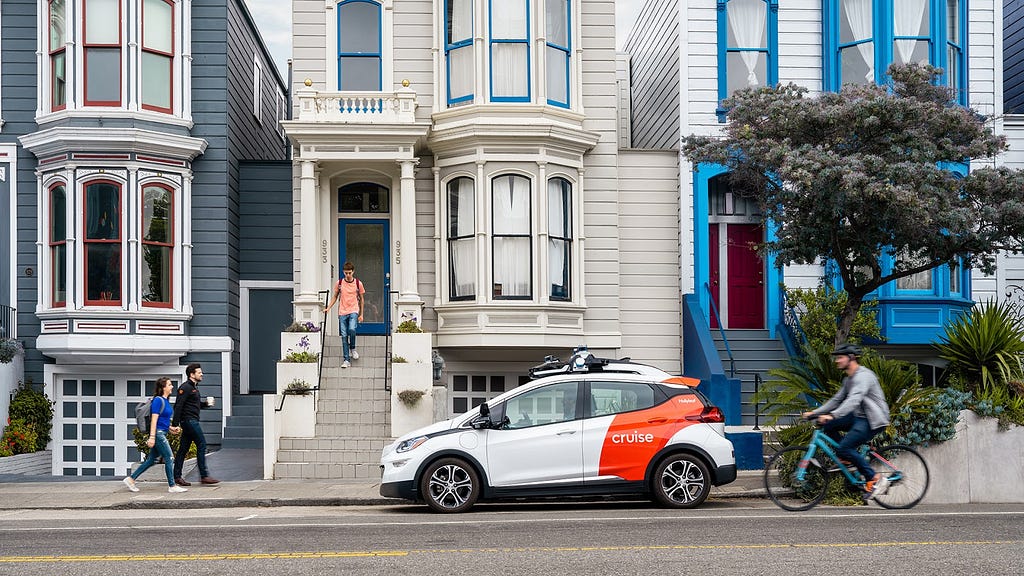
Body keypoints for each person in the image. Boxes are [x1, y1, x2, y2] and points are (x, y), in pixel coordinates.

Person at [802, 343, 892, 500]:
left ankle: (874, 478)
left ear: (851, 358)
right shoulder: (848, 380)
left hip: (873, 419)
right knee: (827, 425)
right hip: (859, 416)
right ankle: (846, 457)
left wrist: (834, 415)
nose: (837, 361)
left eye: (840, 357)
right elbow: (836, 400)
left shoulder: (864, 376)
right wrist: (815, 413)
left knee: (844, 447)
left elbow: (854, 400)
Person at [123, 377, 187, 493]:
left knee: (151, 460)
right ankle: (172, 486)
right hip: (158, 434)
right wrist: (152, 437)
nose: (172, 386)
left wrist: (171, 428)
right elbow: (154, 420)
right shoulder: (158, 400)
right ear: (163, 387)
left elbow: (162, 421)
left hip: (161, 432)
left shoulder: (165, 401)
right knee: (169, 457)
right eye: (169, 385)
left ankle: (131, 479)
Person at [170, 363, 220, 486]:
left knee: (183, 449)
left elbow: (194, 405)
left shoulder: (194, 388)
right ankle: (204, 476)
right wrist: (175, 424)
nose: (201, 374)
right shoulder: (185, 387)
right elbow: (178, 406)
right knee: (202, 444)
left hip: (190, 420)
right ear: (192, 374)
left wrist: (206, 404)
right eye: (199, 372)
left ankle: (177, 477)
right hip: (189, 421)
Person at [323, 261, 365, 369]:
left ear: (353, 272)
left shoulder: (358, 283)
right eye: (346, 273)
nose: (348, 275)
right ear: (343, 272)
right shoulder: (339, 283)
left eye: (349, 273)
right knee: (344, 336)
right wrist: (328, 307)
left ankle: (353, 348)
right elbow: (335, 296)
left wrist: (361, 314)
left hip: (354, 310)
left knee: (352, 329)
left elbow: (362, 300)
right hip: (342, 312)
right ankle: (346, 360)